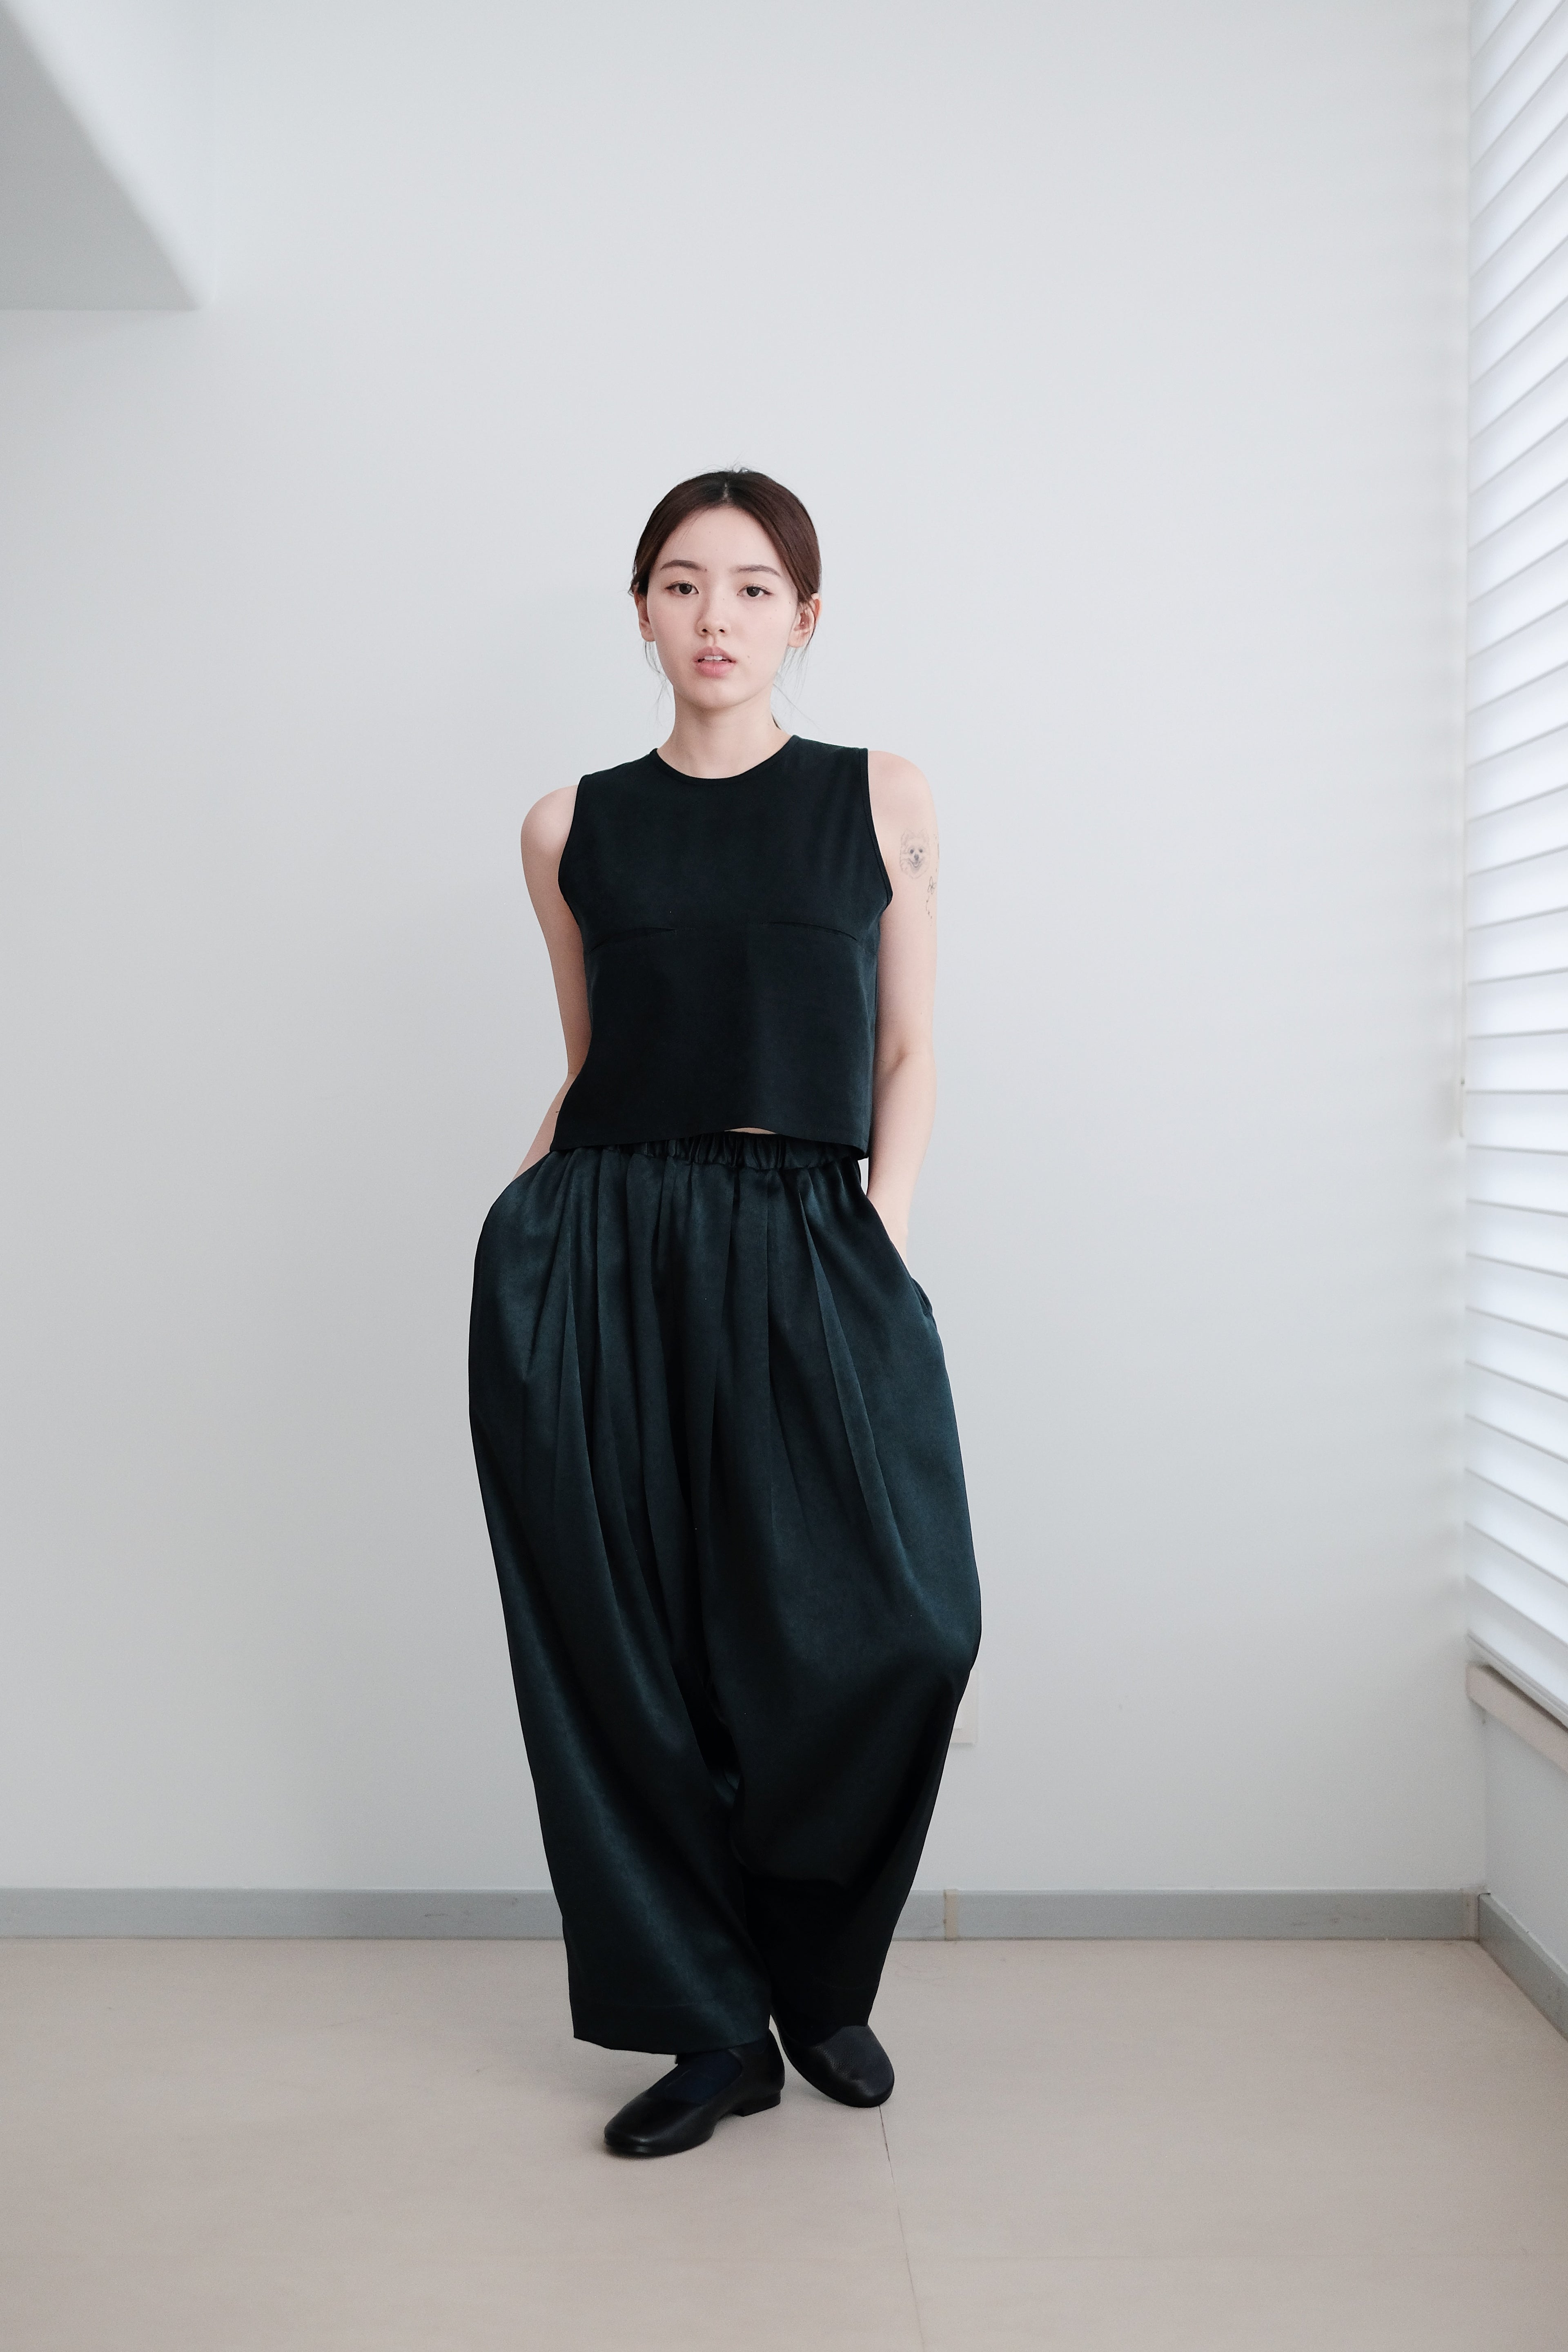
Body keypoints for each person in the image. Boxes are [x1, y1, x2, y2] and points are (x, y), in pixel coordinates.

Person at [468, 469, 981, 2159]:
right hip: (604, 1248)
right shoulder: (569, 828)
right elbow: (585, 1064)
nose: (716, 616)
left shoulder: (879, 795)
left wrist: (875, 1240)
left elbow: (907, 1047)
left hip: (813, 1234)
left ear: (804, 618)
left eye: (754, 587)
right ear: (642, 611)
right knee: (633, 1657)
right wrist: (524, 1249)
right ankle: (709, 2029)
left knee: (903, 1629)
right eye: (683, 584)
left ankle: (815, 1981)